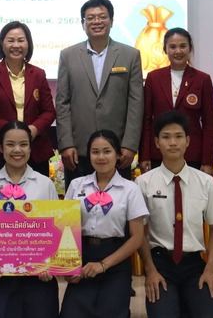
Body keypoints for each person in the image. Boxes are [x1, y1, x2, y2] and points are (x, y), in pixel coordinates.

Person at [137, 110, 213, 317]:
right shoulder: (143, 183)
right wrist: (150, 270)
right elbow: (139, 231)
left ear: (187, 141)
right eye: (166, 137)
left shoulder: (206, 182)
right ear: (157, 142)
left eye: (178, 136)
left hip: (194, 265)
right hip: (160, 264)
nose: (172, 143)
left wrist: (210, 269)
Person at [0, 121, 60, 318]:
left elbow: (56, 228)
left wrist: (50, 264)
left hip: (37, 276)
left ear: (30, 148)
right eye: (10, 144)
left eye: (23, 144)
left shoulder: (45, 185)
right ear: (0, 148)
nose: (17, 150)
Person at [55, 0, 143, 185]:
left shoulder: (130, 55)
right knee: (78, 199)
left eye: (102, 17)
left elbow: (136, 103)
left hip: (117, 150)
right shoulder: (68, 55)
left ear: (111, 21)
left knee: (118, 200)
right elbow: (62, 103)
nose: (96, 21)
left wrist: (130, 145)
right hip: (78, 151)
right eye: (90, 18)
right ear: (83, 23)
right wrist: (66, 143)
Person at [60, 130, 147, 318]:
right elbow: (65, 229)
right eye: (95, 152)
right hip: (82, 260)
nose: (101, 157)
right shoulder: (76, 185)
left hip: (115, 261)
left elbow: (137, 237)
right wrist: (68, 267)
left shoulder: (130, 189)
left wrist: (103, 265)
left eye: (107, 151)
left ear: (118, 154)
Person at [0, 21, 56, 178]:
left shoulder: (38, 74)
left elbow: (49, 111)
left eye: (21, 40)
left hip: (35, 150)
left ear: (28, 44)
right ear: (1, 43)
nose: (16, 45)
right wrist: (9, 130)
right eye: (10, 40)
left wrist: (33, 129)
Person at [139, 28, 213, 174]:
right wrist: (144, 155)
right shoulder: (153, 78)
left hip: (192, 153)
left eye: (183, 46)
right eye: (172, 47)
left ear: (190, 48)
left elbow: (209, 124)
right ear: (165, 50)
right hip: (159, 153)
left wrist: (207, 161)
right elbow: (146, 120)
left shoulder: (202, 80)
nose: (178, 51)